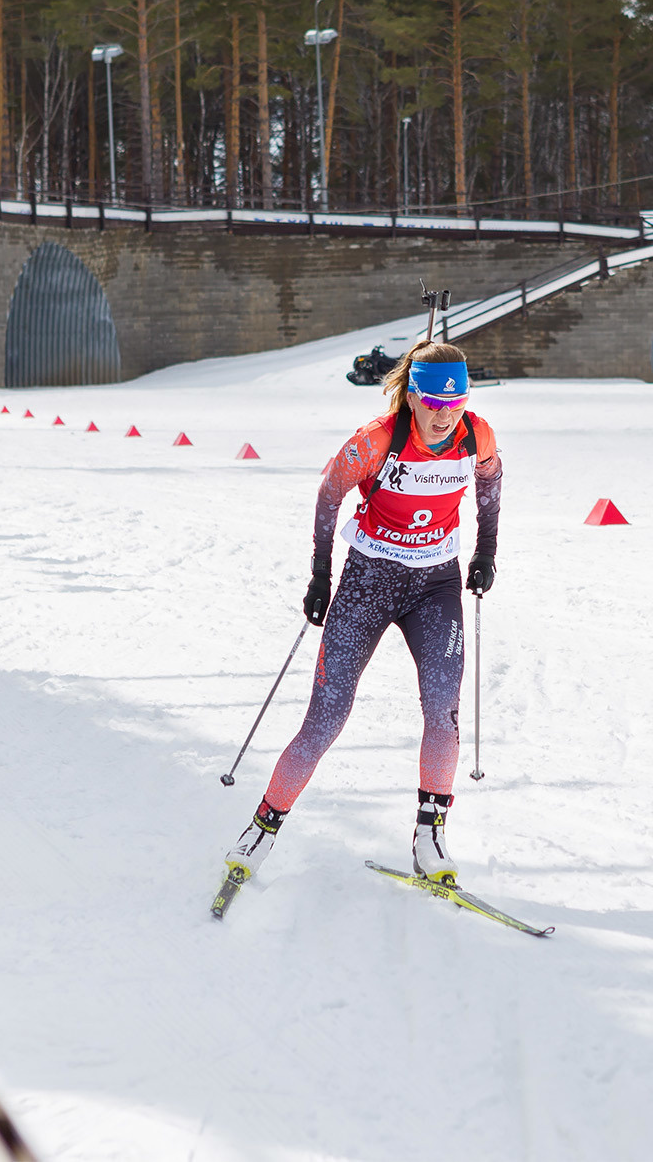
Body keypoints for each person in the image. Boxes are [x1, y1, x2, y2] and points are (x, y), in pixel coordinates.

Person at [216, 341, 501, 914]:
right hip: (368, 579)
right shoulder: (378, 438)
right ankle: (261, 830)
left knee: (442, 710)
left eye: (456, 399)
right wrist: (321, 575)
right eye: (433, 399)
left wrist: (485, 552)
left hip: (435, 585)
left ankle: (430, 838)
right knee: (326, 717)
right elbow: (329, 491)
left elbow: (491, 490)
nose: (445, 412)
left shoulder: (477, 434)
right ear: (413, 395)